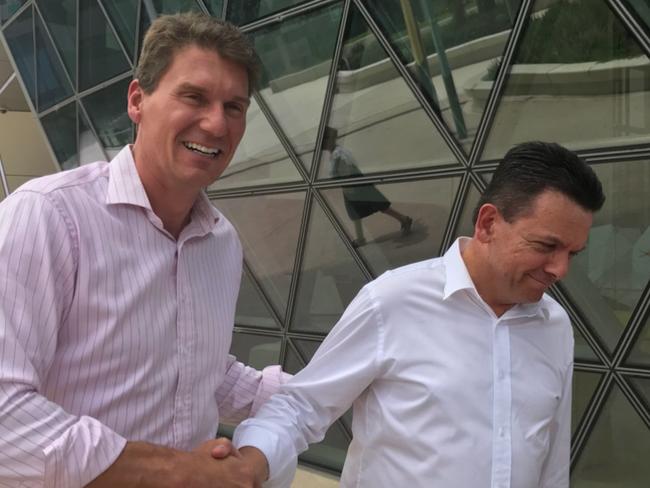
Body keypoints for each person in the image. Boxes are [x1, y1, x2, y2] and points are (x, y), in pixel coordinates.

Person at [0, 12, 284, 488]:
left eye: (234, 107)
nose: (216, 123)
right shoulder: (48, 218)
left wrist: (334, 387)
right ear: (137, 100)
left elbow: (197, 370)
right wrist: (178, 473)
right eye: (194, 96)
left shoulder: (220, 242)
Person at [231, 141, 606, 487]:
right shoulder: (392, 301)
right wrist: (248, 464)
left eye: (572, 253)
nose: (560, 269)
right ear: (489, 223)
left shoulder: (555, 325)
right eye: (546, 245)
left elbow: (552, 457)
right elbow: (302, 406)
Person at [322, 126, 412, 246]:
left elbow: (346, 171)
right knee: (357, 212)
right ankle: (362, 237)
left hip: (355, 186)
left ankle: (404, 219)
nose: (324, 146)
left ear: (329, 140)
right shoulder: (337, 152)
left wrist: (348, 186)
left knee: (378, 206)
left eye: (324, 142)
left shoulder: (338, 154)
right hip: (354, 185)